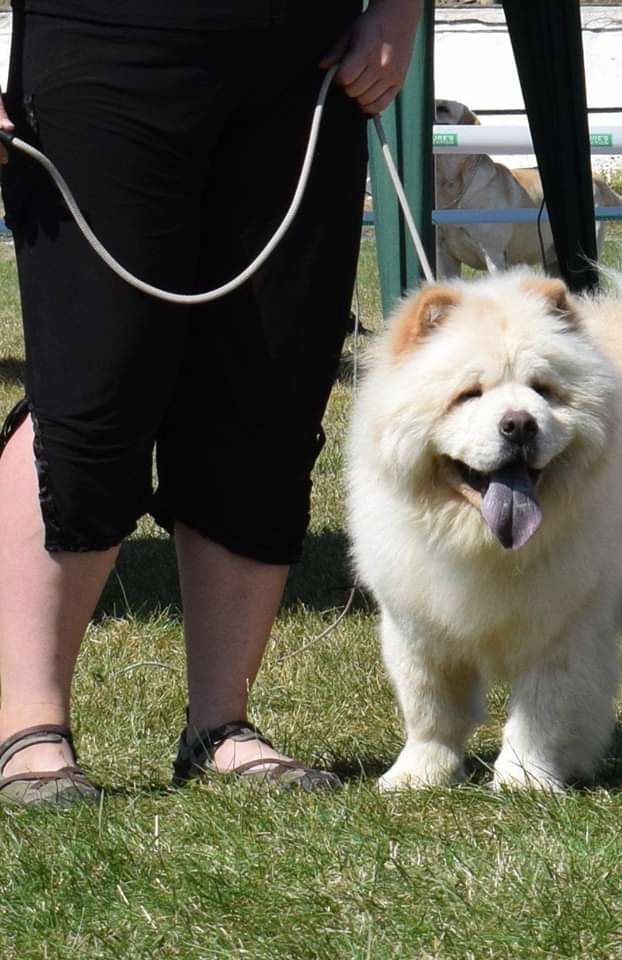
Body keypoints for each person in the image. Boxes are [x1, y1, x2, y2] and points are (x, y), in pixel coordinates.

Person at [0, 0, 421, 807]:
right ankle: (30, 728)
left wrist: (397, 16)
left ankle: (220, 727)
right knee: (95, 387)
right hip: (103, 44)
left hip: (309, 61)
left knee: (269, 397)